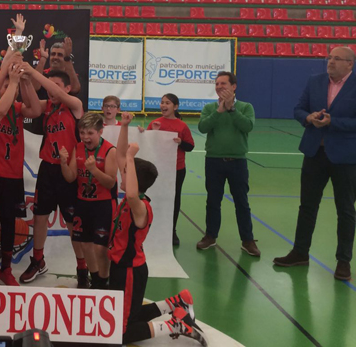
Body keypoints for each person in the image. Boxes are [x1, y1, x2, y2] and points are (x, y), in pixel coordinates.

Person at [108, 117, 207, 346]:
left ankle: (175, 325)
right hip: (122, 268)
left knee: (121, 333)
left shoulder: (140, 206)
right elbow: (120, 155)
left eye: (126, 171)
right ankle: (176, 303)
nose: (122, 173)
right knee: (127, 316)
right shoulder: (132, 200)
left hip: (130, 270)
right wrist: (124, 127)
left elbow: (131, 191)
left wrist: (131, 158)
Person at [274, 46, 356, 282]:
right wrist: (307, 117)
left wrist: (333, 122)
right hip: (314, 153)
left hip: (345, 158)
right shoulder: (315, 81)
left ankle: (343, 261)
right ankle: (300, 252)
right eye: (329, 58)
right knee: (307, 206)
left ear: (350, 64)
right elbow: (299, 109)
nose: (330, 62)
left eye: (337, 59)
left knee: (345, 210)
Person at [18, 66, 86, 286]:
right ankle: (38, 260)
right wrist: (25, 79)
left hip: (69, 170)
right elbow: (30, 103)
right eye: (49, 85)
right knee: (39, 217)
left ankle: (82, 267)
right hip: (48, 169)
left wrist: (32, 71)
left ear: (67, 88)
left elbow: (56, 92)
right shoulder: (47, 106)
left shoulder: (75, 105)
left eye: (56, 85)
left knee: (72, 223)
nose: (51, 90)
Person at [0, 59, 42, 286]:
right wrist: (7, 75)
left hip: (13, 178)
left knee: (9, 224)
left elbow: (36, 110)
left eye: (11, 87)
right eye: (5, 86)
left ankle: (5, 270)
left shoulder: (18, 109)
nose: (9, 89)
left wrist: (24, 80)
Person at [196, 71, 258, 256]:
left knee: (242, 202)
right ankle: (210, 236)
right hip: (213, 161)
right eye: (217, 84)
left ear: (234, 86)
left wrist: (232, 110)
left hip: (237, 162)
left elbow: (247, 126)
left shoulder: (246, 107)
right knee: (213, 201)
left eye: (223, 83)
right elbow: (202, 127)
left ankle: (247, 240)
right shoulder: (210, 108)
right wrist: (219, 112)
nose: (219, 87)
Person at [60, 112, 118, 289]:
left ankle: (104, 280)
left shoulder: (110, 150)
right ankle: (95, 279)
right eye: (82, 132)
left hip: (103, 204)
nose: (85, 137)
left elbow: (110, 182)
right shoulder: (78, 148)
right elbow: (70, 177)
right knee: (85, 244)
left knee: (101, 247)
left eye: (90, 133)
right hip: (83, 202)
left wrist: (94, 170)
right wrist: (63, 163)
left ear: (100, 132)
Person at [147, 94, 195, 246]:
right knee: (156, 198)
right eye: (162, 102)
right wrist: (148, 133)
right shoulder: (155, 123)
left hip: (176, 169)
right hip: (157, 168)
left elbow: (190, 146)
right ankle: (153, 227)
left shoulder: (182, 126)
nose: (163, 105)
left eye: (167, 103)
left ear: (175, 107)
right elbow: (147, 143)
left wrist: (181, 143)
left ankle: (171, 230)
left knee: (174, 200)